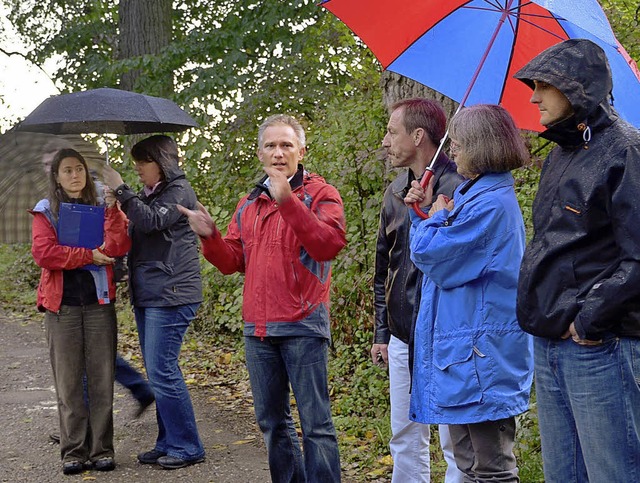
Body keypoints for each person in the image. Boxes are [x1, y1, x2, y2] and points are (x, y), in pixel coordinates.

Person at [177, 114, 346, 482]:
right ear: (260, 154)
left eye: (286, 145)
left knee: (316, 424)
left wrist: (288, 202)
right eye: (271, 145)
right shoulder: (249, 202)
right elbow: (233, 261)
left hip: (303, 323)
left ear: (301, 151)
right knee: (272, 422)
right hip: (258, 328)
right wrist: (210, 237)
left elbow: (327, 245)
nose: (279, 152)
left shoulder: (321, 194)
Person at [514, 38, 640, 482]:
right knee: (563, 476)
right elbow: (557, 246)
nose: (532, 96)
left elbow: (638, 258)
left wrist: (588, 320)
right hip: (550, 341)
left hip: (599, 345)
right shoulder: (560, 156)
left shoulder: (626, 150)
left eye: (543, 85)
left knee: (614, 474)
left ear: (576, 88)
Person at [405, 104, 534, 482]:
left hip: (481, 360)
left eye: (459, 144)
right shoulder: (474, 196)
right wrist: (426, 212)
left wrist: (438, 216)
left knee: (491, 468)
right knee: (468, 465)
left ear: (482, 146)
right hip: (465, 357)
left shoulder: (491, 204)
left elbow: (433, 255)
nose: (454, 151)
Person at [372, 98, 465, 483]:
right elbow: (383, 269)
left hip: (444, 333)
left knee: (453, 438)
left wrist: (432, 214)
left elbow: (459, 262)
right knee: (405, 433)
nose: (385, 141)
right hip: (401, 334)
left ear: (418, 135)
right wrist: (382, 333)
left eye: (393, 132)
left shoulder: (457, 186)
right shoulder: (395, 189)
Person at [103, 134, 205, 470]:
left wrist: (122, 191)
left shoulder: (179, 191)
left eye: (141, 163)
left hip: (172, 294)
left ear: (161, 162)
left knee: (163, 370)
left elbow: (152, 221)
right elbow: (139, 232)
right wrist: (117, 205)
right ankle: (168, 441)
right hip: (152, 292)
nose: (137, 170)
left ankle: (188, 445)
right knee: (159, 370)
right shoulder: (153, 194)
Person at [30, 148, 130, 475]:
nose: (75, 175)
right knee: (69, 382)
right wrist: (87, 256)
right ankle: (73, 450)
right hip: (63, 307)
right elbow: (45, 253)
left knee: (101, 379)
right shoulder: (46, 211)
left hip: (99, 304)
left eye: (80, 169)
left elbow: (117, 247)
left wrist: (114, 209)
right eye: (67, 170)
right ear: (56, 177)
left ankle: (102, 448)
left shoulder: (102, 206)